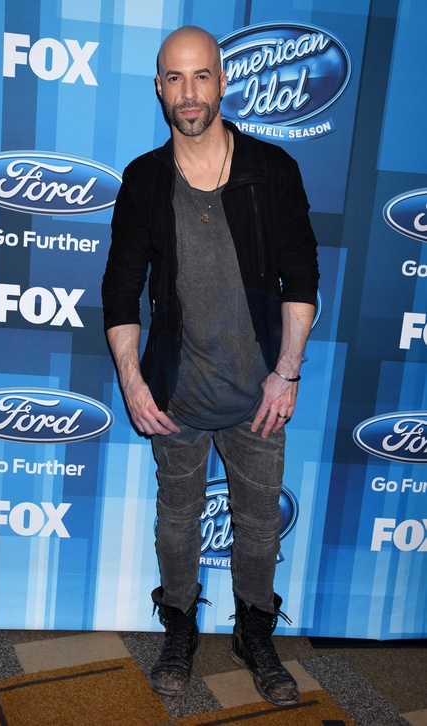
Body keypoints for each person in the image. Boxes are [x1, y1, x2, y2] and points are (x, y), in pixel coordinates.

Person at [102, 25, 319, 706]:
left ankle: (255, 632)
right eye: (175, 77)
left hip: (259, 393)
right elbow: (120, 290)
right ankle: (179, 627)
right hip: (176, 394)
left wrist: (287, 373)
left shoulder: (271, 170)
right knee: (177, 520)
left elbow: (301, 277)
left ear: (222, 83)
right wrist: (134, 383)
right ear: (159, 88)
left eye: (201, 76)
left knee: (258, 523)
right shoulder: (143, 179)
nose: (189, 93)